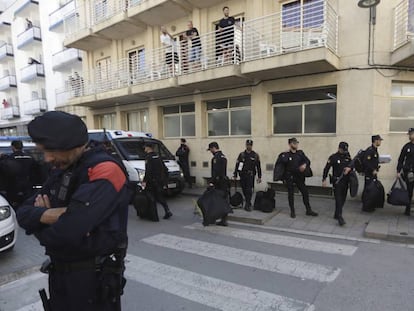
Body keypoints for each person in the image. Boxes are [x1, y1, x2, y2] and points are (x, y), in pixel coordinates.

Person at [16, 111, 130, 311]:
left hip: (92, 281)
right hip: (60, 275)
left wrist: (41, 222)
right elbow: (23, 212)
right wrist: (52, 216)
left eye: (51, 151)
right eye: (43, 151)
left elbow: (66, 233)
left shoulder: (106, 169)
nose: (47, 158)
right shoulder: (65, 166)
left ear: (75, 145)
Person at [279, 138, 318, 218]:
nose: (296, 144)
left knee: (305, 192)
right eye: (294, 143)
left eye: (297, 143)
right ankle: (292, 211)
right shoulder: (285, 154)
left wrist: (304, 165)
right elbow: (282, 163)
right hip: (290, 176)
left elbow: (307, 161)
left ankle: (308, 210)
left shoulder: (300, 153)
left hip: (299, 176)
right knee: (291, 194)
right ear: (290, 144)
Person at [322, 142, 353, 226]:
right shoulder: (333, 157)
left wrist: (349, 168)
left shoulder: (348, 156)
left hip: (345, 181)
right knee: (338, 199)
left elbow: (352, 166)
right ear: (339, 148)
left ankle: (336, 214)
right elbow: (326, 168)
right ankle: (340, 217)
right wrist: (324, 179)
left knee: (343, 199)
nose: (344, 151)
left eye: (345, 150)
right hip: (337, 182)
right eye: (343, 150)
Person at [142, 142, 173, 219]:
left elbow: (148, 171)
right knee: (159, 196)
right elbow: (165, 168)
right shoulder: (158, 156)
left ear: (149, 148)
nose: (144, 149)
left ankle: (152, 214)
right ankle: (167, 210)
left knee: (150, 196)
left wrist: (144, 181)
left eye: (145, 147)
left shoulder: (148, 157)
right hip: (160, 180)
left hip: (152, 181)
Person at [2, 141, 35, 207]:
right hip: (28, 186)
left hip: (13, 187)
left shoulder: (9, 159)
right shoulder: (30, 158)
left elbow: (5, 174)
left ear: (13, 147)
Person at [233, 139, 262, 211]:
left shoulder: (255, 155)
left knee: (249, 190)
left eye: (250, 145)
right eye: (247, 145)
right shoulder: (242, 155)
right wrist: (235, 174)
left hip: (250, 175)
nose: (249, 146)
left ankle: (247, 204)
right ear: (246, 145)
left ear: (252, 145)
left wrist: (259, 176)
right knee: (244, 189)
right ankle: (248, 202)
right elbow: (238, 165)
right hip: (242, 175)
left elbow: (258, 166)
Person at [208, 142, 229, 226]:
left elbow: (215, 172)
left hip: (218, 183)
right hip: (224, 182)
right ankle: (224, 219)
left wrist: (211, 182)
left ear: (213, 148)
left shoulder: (216, 158)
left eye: (210, 150)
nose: (210, 152)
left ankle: (214, 219)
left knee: (215, 201)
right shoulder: (223, 156)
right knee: (223, 201)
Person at [362, 135, 383, 212]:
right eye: (379, 140)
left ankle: (370, 205)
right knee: (368, 190)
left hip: (373, 174)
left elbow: (373, 161)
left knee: (372, 190)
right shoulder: (370, 150)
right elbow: (366, 162)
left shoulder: (375, 150)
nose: (380, 142)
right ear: (375, 141)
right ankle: (366, 207)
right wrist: (372, 170)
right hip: (369, 174)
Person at [397, 128, 414, 216]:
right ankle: (407, 209)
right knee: (409, 191)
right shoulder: (407, 146)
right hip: (409, 173)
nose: (409, 136)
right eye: (409, 134)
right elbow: (401, 159)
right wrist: (398, 171)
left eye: (411, 134)